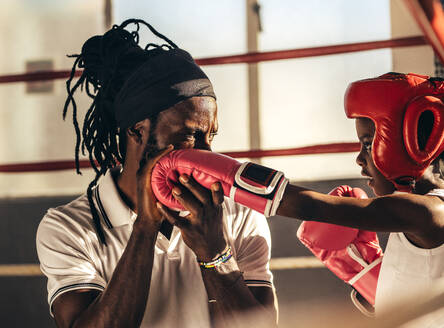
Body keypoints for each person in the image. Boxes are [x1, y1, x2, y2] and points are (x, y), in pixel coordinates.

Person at [36, 19, 277, 328]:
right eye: (189, 136)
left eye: (210, 137)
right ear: (138, 130)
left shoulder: (238, 214)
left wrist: (214, 251)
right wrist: (145, 229)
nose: (206, 154)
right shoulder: (70, 227)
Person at [152, 72, 444, 326]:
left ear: (413, 141)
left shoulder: (429, 212)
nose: (359, 158)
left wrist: (210, 170)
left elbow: (307, 204)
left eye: (369, 144)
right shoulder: (417, 219)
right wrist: (363, 276)